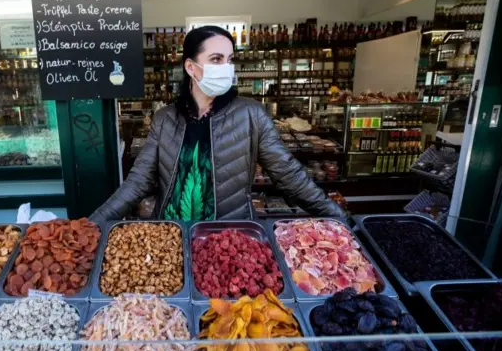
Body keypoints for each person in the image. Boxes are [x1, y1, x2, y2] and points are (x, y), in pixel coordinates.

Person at [90, 25, 344, 223]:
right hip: (172, 231)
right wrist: (95, 223)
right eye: (216, 59)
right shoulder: (165, 118)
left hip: (227, 235)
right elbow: (138, 181)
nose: (227, 68)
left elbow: (289, 175)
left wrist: (339, 217)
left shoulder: (251, 114)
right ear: (191, 67)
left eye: (230, 59)